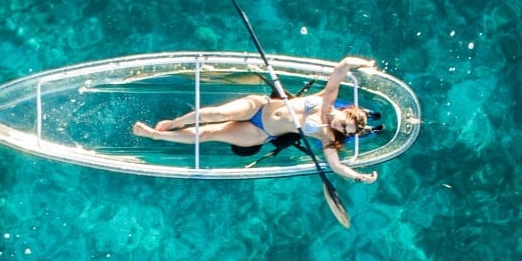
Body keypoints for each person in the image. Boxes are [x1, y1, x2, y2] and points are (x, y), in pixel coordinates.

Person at [132, 56, 379, 183]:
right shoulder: (327, 97)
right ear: (346, 112)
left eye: (344, 131)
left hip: (260, 132)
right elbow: (343, 66)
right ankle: (175, 123)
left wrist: (358, 177)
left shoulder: (326, 137)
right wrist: (366, 64)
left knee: (210, 133)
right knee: (216, 113)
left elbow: (336, 166)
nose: (340, 128)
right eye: (344, 123)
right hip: (260, 106)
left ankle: (157, 134)